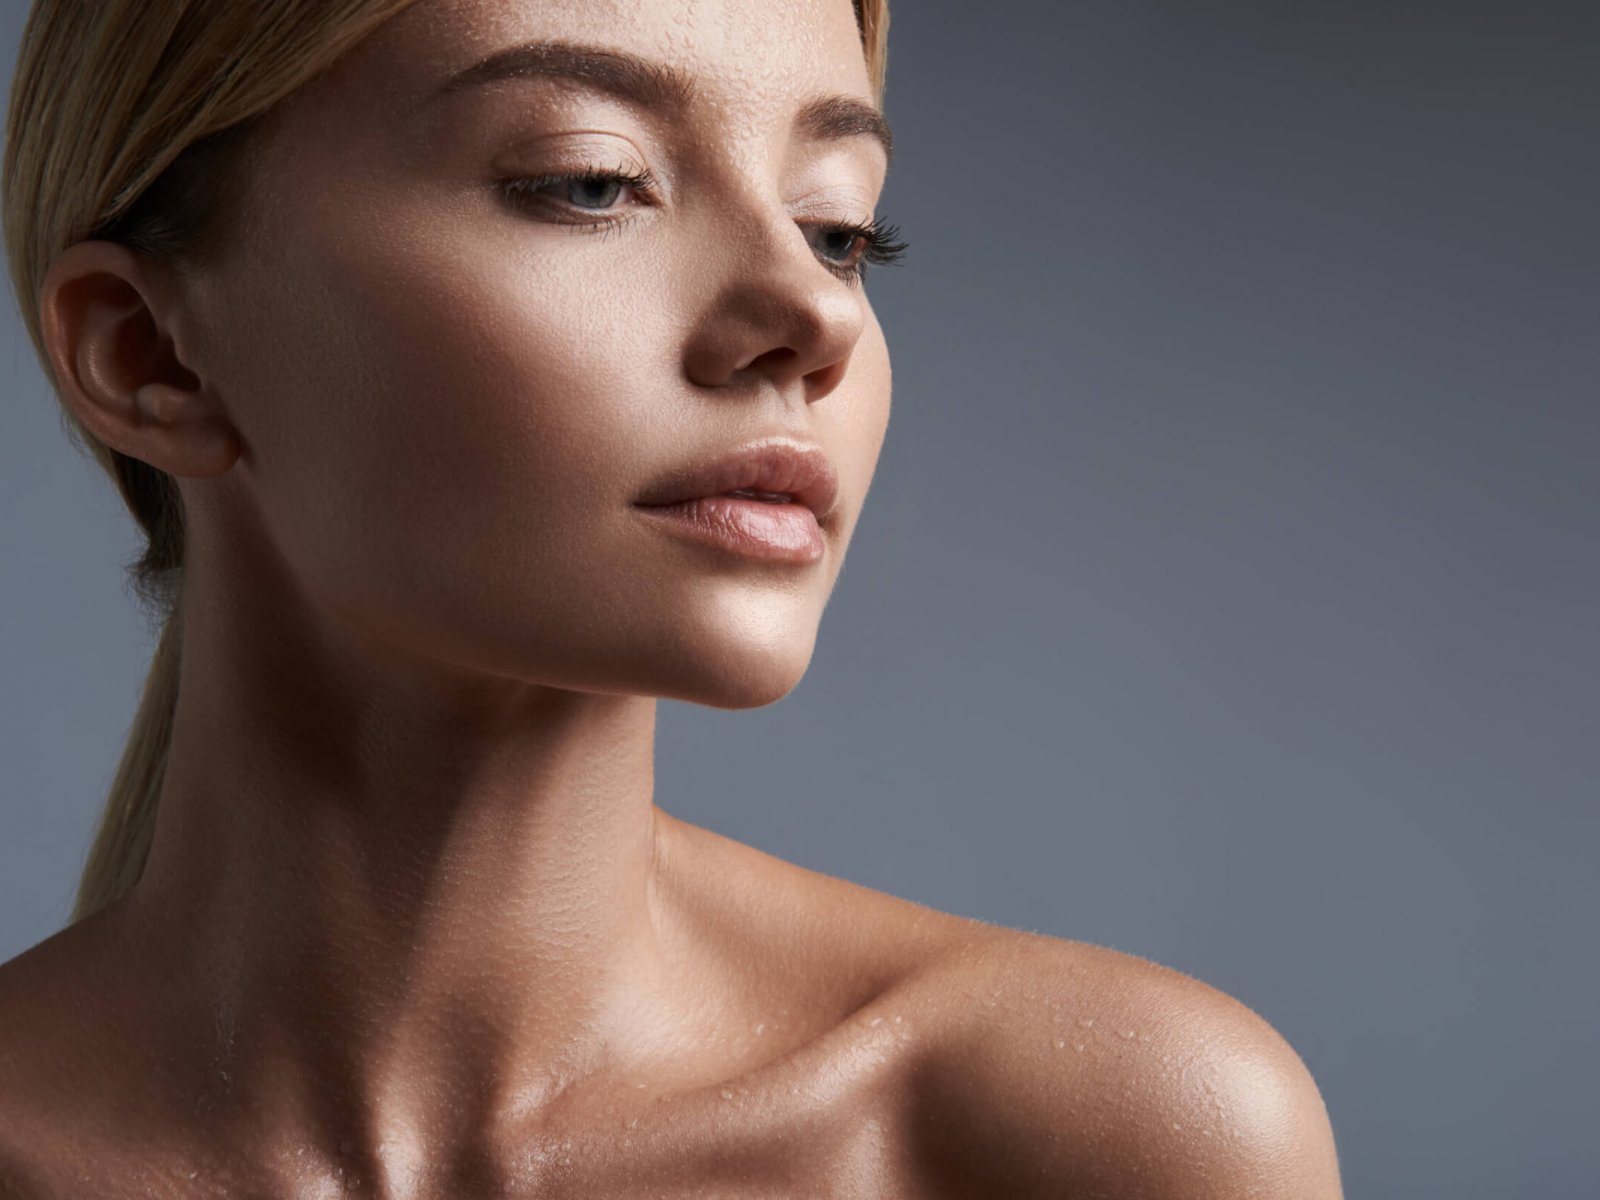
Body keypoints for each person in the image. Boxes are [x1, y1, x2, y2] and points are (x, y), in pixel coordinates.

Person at [0, 0, 1343, 1194]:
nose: (809, 315)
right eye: (589, 183)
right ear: (147, 355)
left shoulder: (1109, 1139)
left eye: (840, 228)